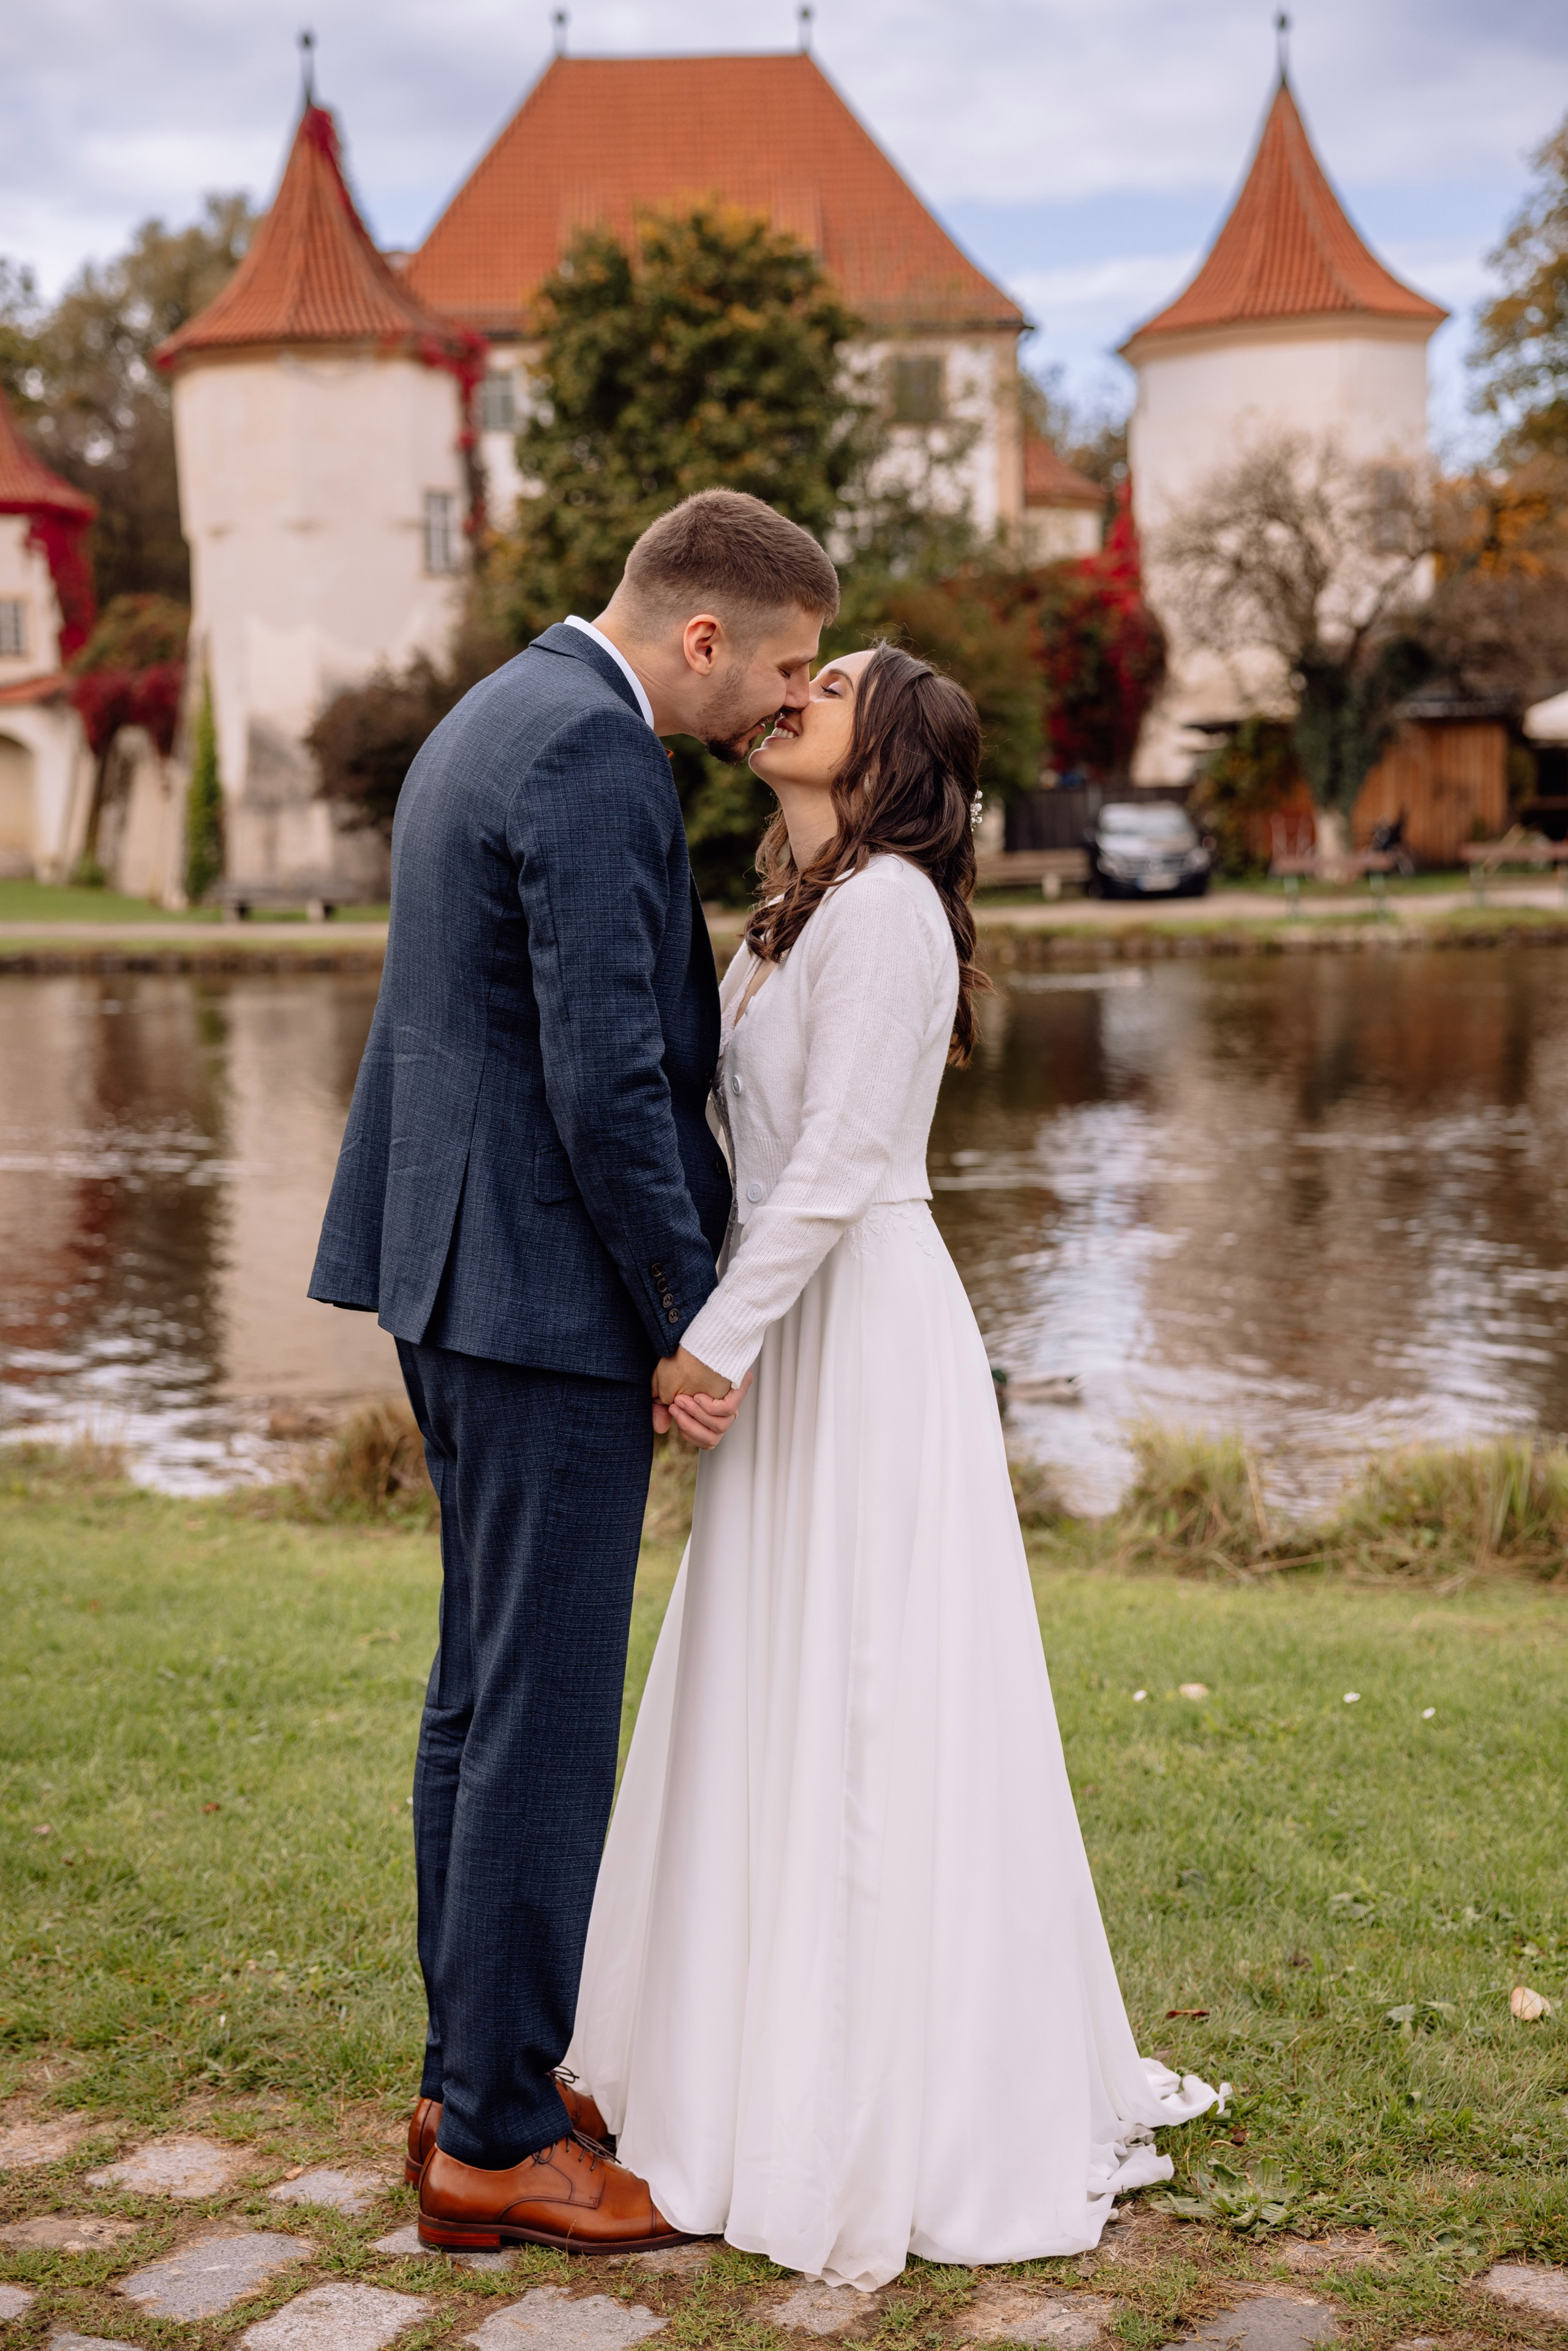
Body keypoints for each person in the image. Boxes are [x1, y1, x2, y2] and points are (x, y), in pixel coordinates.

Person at [561, 644, 1219, 2290]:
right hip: (795, 1332)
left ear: (897, 749)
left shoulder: (891, 914)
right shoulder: (791, 915)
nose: (794, 691)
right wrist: (688, 1299)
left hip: (859, 1334)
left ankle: (872, 2094)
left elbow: (849, 1163)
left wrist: (717, 1338)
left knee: (867, 1683)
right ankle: (728, 2043)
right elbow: (738, 1147)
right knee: (766, 1671)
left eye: (831, 683)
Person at [307, 489, 840, 2255]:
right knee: (534, 1715)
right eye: (776, 669)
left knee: (478, 1690)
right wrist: (692, 1313)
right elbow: (611, 1079)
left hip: (446, 1268)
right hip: (537, 1295)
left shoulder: (500, 707)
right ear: (703, 638)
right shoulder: (600, 758)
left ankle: (477, 2072)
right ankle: (500, 2140)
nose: (781, 705)